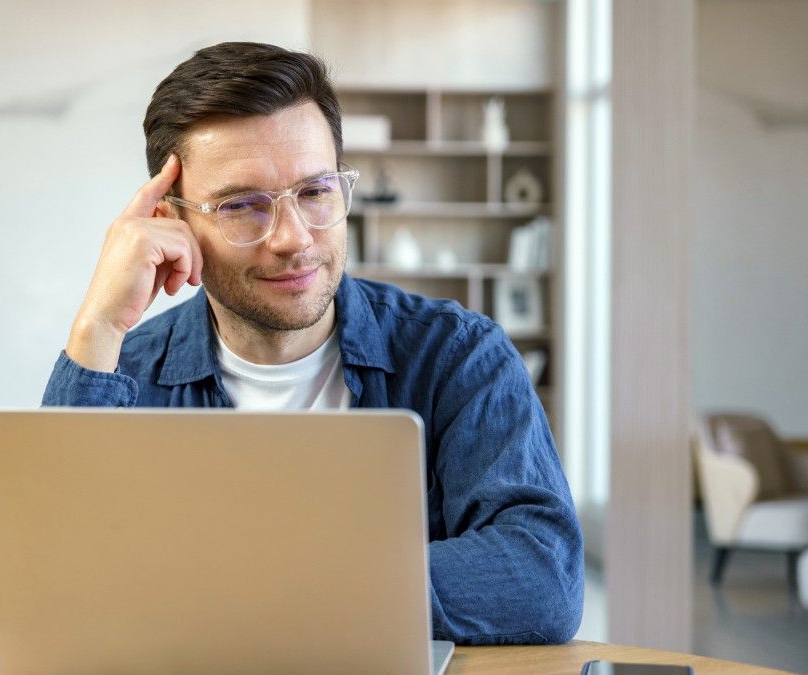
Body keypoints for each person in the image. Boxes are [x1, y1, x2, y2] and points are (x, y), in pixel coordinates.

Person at [43, 41, 583, 645]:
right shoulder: (128, 372)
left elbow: (542, 578)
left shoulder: (458, 354)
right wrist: (98, 326)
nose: (293, 239)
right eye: (243, 205)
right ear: (172, 220)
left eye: (315, 191)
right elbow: (52, 586)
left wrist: (264, 591)